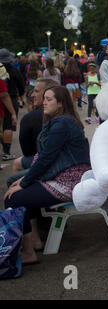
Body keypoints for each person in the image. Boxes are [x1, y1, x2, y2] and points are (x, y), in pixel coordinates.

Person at [3, 86, 91, 265]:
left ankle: (28, 251)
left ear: (60, 104)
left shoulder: (62, 123)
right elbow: (44, 158)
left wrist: (25, 181)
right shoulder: (60, 121)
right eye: (44, 98)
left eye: (49, 99)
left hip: (68, 181)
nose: (44, 102)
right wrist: (26, 180)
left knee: (14, 198)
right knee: (17, 189)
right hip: (64, 176)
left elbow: (46, 158)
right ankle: (33, 240)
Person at [10, 78, 59, 186]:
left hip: (52, 166)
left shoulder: (31, 118)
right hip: (62, 163)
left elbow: (27, 153)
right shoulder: (68, 115)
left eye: (36, 91)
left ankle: (16, 196)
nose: (32, 95)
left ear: (48, 94)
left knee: (15, 169)